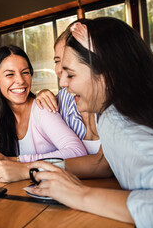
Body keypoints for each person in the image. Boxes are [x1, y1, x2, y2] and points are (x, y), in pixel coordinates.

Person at [25, 17, 153, 228]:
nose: (63, 83)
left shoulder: (118, 119)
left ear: (106, 72)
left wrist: (79, 194)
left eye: (71, 74)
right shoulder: (144, 104)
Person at [0, 45, 87, 182]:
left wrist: (13, 161)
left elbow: (77, 153)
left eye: (25, 72)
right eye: (10, 74)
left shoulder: (42, 108)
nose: (21, 80)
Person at [36, 21, 111, 178]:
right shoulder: (62, 98)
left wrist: (29, 168)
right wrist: (41, 94)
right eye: (57, 61)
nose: (60, 70)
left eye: (68, 61)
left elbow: (104, 164)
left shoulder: (115, 105)